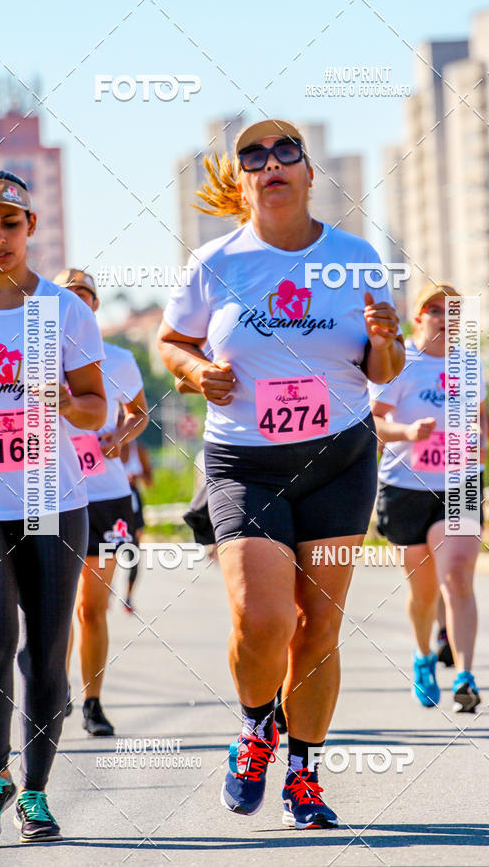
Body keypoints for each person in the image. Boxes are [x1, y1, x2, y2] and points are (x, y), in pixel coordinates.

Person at [157, 119, 404, 828]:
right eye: (253, 156)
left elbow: (381, 372)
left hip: (340, 460)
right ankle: (254, 726)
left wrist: (387, 340)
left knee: (319, 627)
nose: (270, 163)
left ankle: (304, 773)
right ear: (243, 181)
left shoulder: (355, 257)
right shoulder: (216, 262)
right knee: (263, 619)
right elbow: (170, 341)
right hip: (246, 463)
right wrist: (199, 369)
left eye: (285, 151)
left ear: (307, 173)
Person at [0, 171, 106, 844]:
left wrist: (64, 404)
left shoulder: (65, 311)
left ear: (31, 228)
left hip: (51, 497)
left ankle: (36, 791)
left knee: (45, 652)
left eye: (9, 223)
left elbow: (98, 408)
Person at [369, 281, 489, 713]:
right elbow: (375, 424)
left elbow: (482, 425)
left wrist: (477, 438)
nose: (443, 316)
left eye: (452, 311)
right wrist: (408, 432)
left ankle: (465, 677)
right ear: (418, 317)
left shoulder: (470, 366)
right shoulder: (400, 365)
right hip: (405, 488)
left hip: (460, 484)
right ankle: (423, 656)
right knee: (422, 593)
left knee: (457, 578)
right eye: (434, 309)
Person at [55, 270, 148, 735]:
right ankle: (54, 694)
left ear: (93, 308)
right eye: (66, 297)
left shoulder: (121, 359)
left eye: (85, 298)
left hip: (108, 497)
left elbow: (139, 413)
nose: (77, 305)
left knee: (92, 606)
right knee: (53, 606)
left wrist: (120, 436)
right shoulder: (36, 360)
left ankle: (92, 703)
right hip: (50, 493)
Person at [121, 439, 153, 612]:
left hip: (133, 509)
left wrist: (137, 477)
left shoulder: (138, 450)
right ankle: (105, 593)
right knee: (106, 555)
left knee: (133, 557)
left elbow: (150, 481)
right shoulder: (105, 443)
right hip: (112, 508)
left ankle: (128, 598)